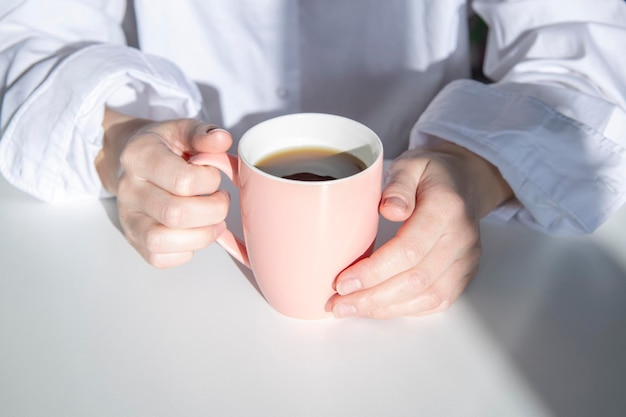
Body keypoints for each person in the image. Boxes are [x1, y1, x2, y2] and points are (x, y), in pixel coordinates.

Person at [1, 0, 625, 319]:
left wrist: (476, 169)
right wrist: (119, 140)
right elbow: (25, 41)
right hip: (181, 282)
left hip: (435, 259)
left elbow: (589, 41)